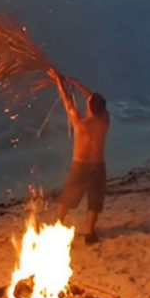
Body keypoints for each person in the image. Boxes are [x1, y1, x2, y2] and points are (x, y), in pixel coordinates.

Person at [48, 68, 110, 244]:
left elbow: (66, 101)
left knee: (68, 197)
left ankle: (58, 225)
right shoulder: (105, 120)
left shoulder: (80, 123)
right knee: (95, 200)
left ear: (89, 106)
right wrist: (75, 83)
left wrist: (59, 82)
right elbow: (93, 98)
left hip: (80, 165)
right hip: (98, 165)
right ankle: (89, 232)